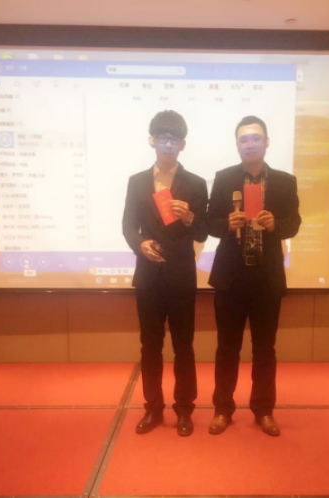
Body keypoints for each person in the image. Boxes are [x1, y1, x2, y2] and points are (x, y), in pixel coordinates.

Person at [206, 115, 301, 436]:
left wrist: (276, 224)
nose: (250, 144)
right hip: (231, 279)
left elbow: (294, 223)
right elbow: (209, 222)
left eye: (256, 138)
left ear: (267, 142)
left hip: (266, 279)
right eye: (244, 139)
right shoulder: (224, 178)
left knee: (264, 349)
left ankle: (264, 410)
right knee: (226, 348)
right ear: (237, 145)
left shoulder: (285, 182)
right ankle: (222, 409)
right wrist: (226, 224)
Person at [122, 110, 208, 436]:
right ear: (152, 140)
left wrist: (189, 217)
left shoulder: (196, 184)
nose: (168, 143)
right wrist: (140, 244)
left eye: (174, 139)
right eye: (163, 137)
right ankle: (153, 408)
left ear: (183, 144)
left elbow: (202, 232)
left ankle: (184, 409)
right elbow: (128, 226)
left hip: (181, 277)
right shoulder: (137, 182)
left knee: (184, 347)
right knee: (150, 346)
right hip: (148, 277)